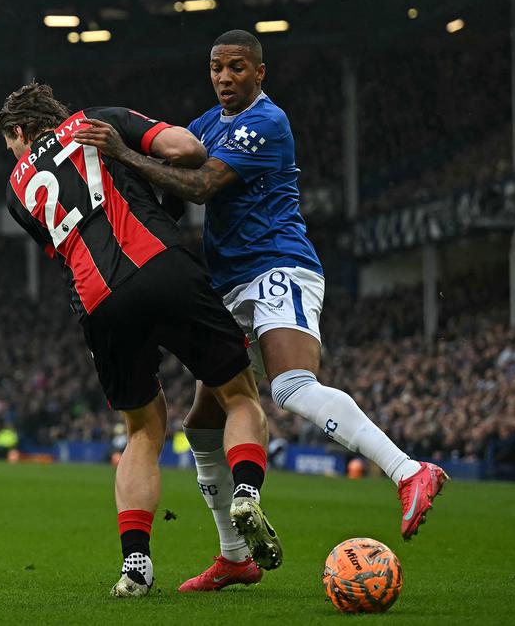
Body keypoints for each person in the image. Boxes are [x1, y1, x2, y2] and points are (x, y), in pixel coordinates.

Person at [75, 29, 448, 591]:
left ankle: (409, 470)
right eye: (217, 69)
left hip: (277, 266)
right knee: (202, 425)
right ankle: (233, 557)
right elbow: (175, 179)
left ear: (259, 73)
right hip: (228, 283)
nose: (225, 78)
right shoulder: (205, 125)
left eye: (237, 68)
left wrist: (124, 151)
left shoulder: (267, 123)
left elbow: (200, 185)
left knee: (290, 387)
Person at [0, 83, 279, 598]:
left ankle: (136, 567)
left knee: (143, 430)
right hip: (161, 265)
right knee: (238, 393)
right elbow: (189, 149)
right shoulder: (97, 120)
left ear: (18, 131)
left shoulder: (15, 191)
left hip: (98, 301)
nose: (12, 151)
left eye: (9, 142)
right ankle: (245, 492)